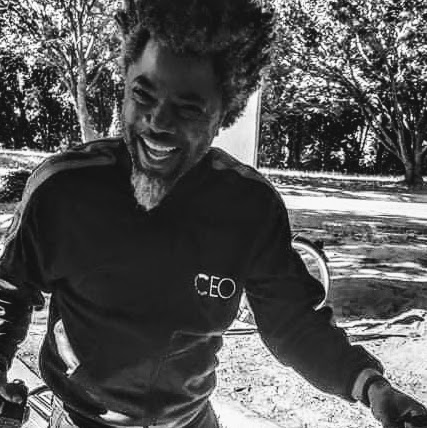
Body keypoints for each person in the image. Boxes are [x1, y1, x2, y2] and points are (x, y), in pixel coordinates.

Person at [0, 0, 426, 427]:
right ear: (124, 86)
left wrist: (371, 386)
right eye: (142, 94)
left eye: (188, 107)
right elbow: (9, 291)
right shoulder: (63, 190)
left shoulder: (249, 209)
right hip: (78, 419)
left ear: (225, 113)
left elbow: (293, 324)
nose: (157, 122)